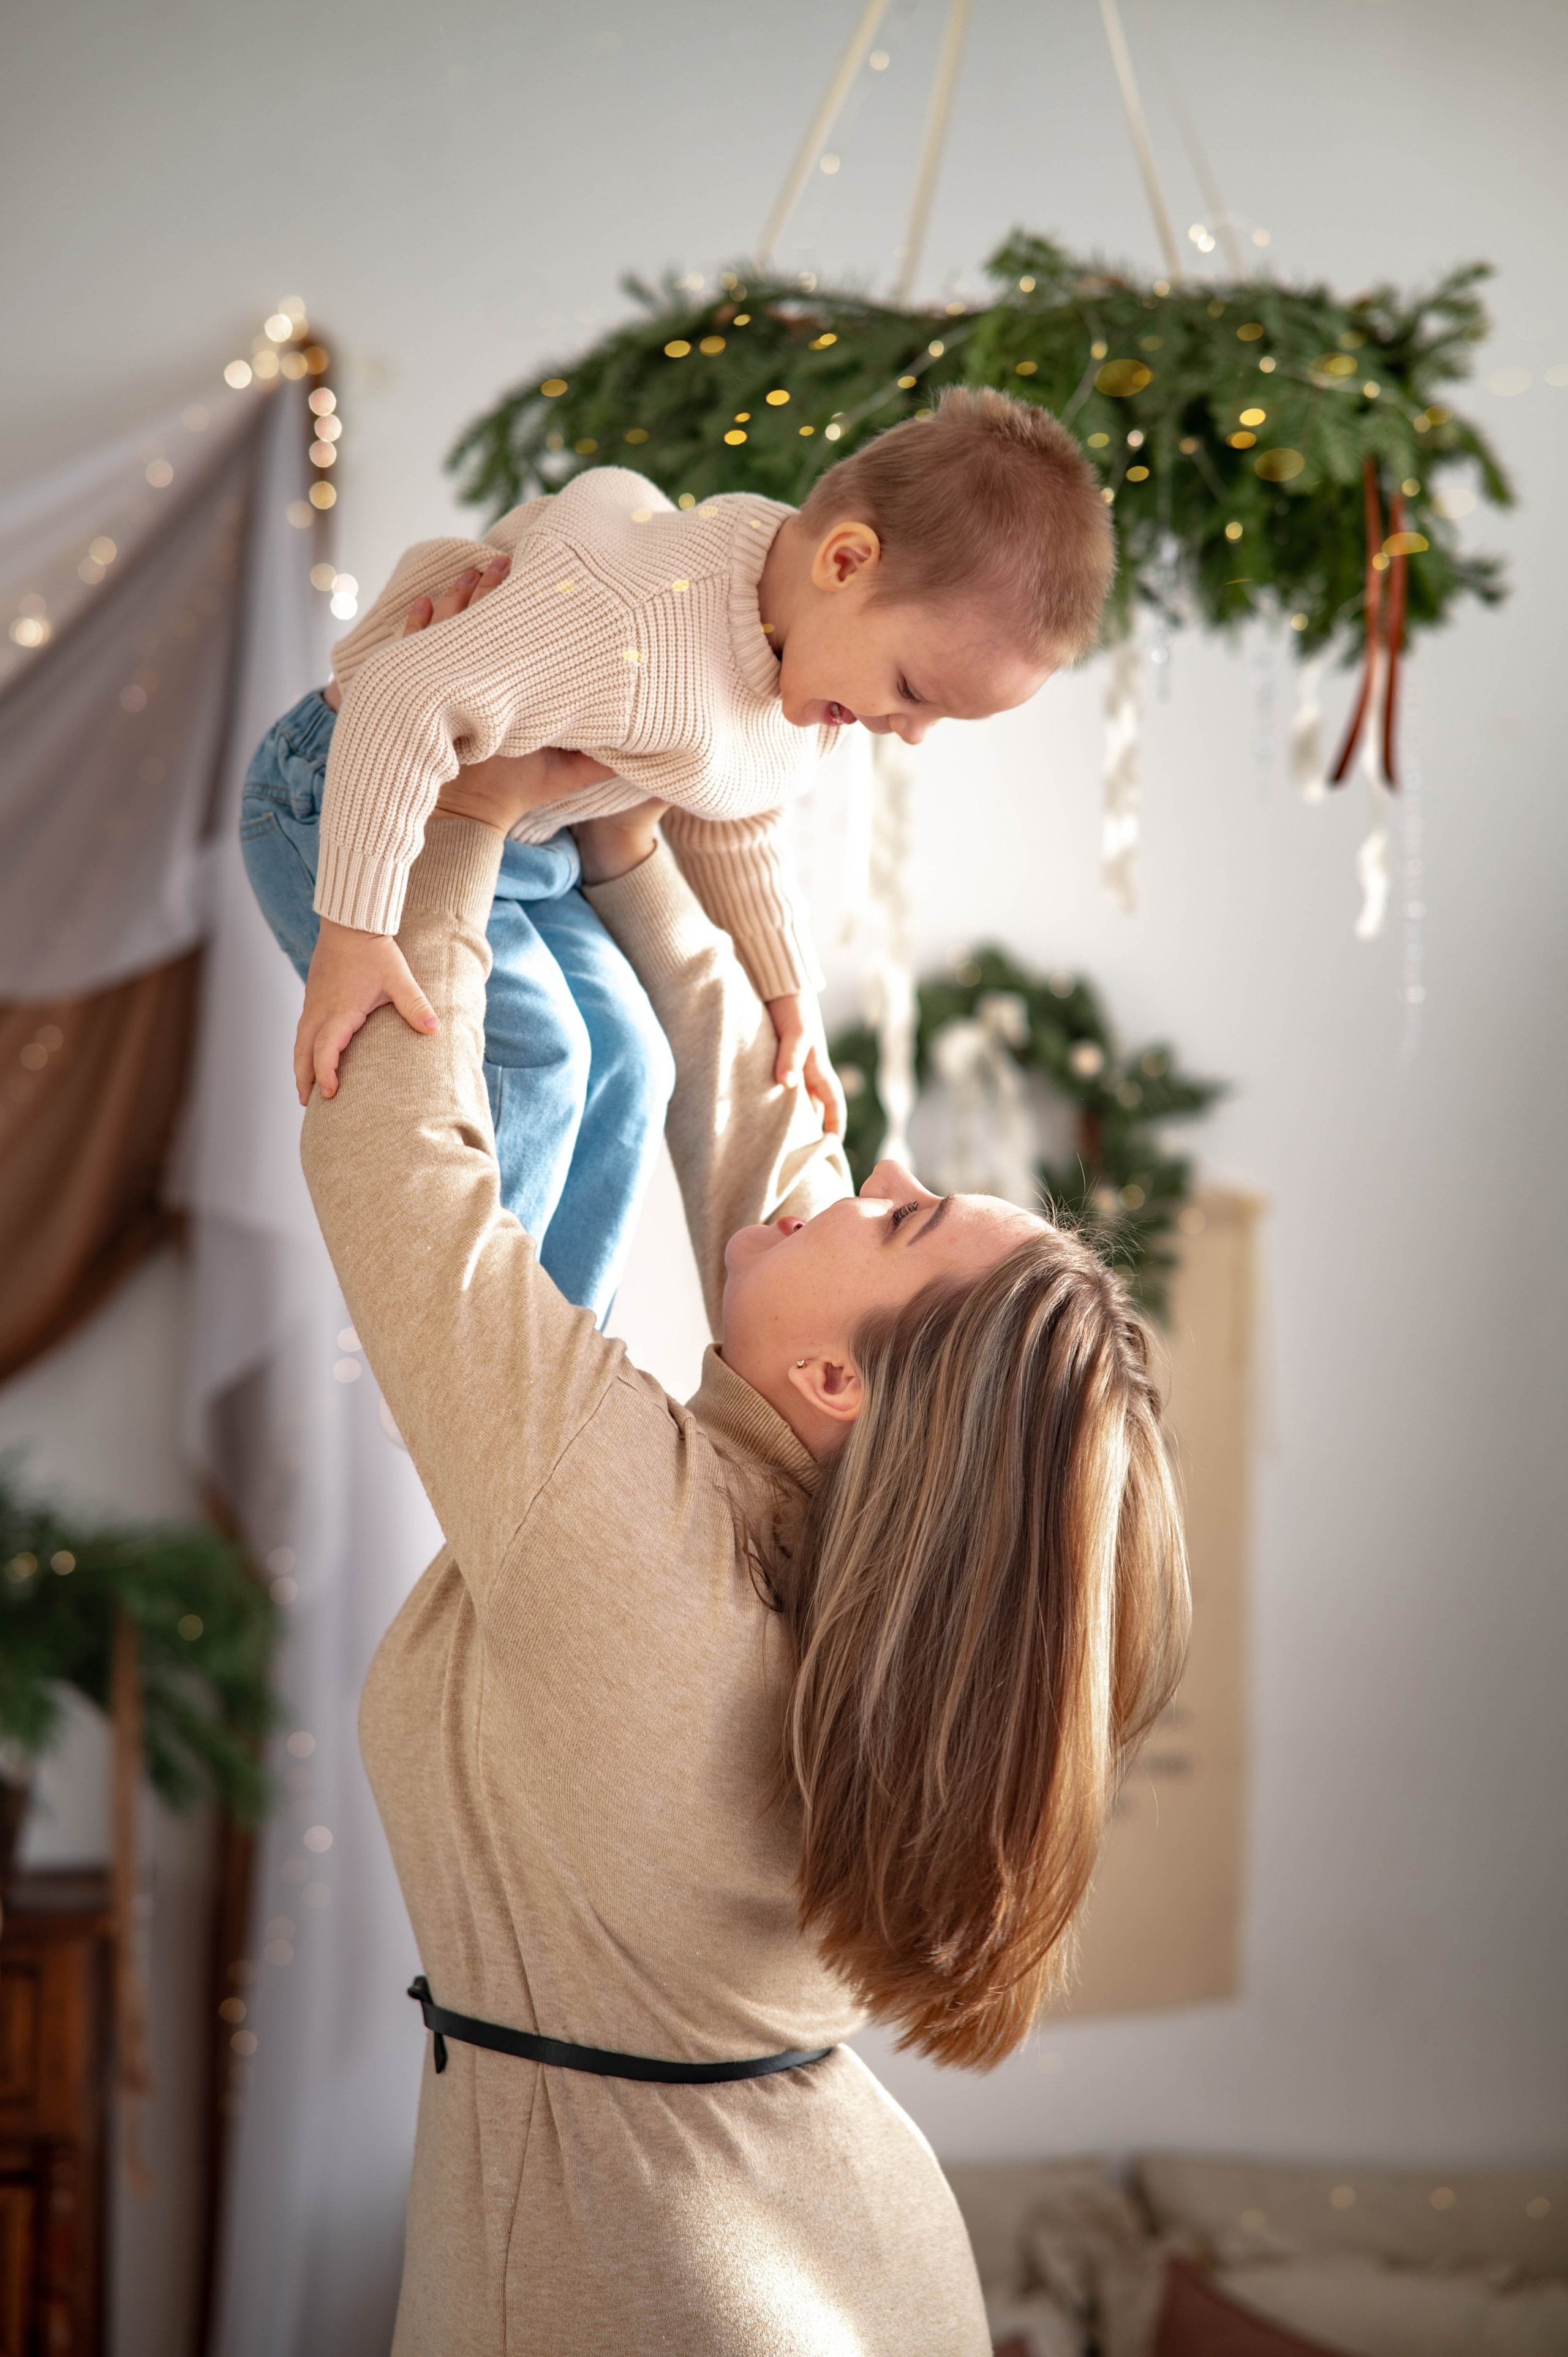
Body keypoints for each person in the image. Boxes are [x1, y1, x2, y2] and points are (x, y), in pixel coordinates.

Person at [298, 572, 1187, 2354]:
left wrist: (463, 823)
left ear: (843, 1383)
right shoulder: (839, 1549)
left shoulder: (642, 1549)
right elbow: (781, 1134)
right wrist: (634, 856)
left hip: (664, 2288)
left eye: (903, 1211)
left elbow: (393, 1178)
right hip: (810, 2240)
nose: (860, 1174)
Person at [251, 387, 1114, 1319]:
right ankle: (468, 1327)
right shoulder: (632, 619)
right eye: (912, 690)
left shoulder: (801, 651)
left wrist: (789, 1000)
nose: (907, 734)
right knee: (540, 1048)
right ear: (847, 559)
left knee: (631, 1053)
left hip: (536, 855)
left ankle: (563, 1340)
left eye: (938, 717)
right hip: (348, 791)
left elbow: (733, 813)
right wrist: (354, 930)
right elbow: (401, 696)